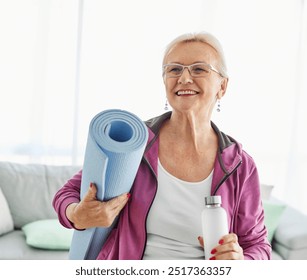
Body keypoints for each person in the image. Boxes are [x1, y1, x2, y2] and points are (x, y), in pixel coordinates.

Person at [53, 31, 271, 260]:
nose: (184, 78)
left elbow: (258, 246)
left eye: (199, 69)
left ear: (222, 86)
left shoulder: (240, 165)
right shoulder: (135, 142)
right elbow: (67, 194)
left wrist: (240, 260)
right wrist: (77, 214)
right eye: (174, 69)